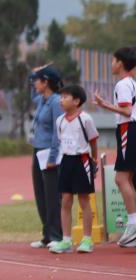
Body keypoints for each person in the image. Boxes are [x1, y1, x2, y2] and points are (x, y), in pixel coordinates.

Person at [92, 47, 136, 247]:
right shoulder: (131, 82)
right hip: (130, 129)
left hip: (128, 129)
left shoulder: (123, 84)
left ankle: (133, 225)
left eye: (113, 60)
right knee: (128, 179)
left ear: (120, 63)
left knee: (121, 178)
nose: (111, 64)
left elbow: (126, 111)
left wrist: (104, 105)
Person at [50, 84, 100, 254]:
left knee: (84, 200)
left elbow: (93, 141)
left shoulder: (85, 119)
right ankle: (66, 240)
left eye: (65, 97)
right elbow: (61, 141)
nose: (61, 100)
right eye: (61, 97)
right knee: (65, 200)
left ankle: (87, 239)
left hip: (82, 160)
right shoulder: (60, 121)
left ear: (76, 101)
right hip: (66, 161)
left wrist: (94, 160)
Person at [28, 66, 64, 249]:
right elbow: (31, 96)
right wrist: (32, 74)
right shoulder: (42, 100)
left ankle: (56, 235)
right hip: (38, 150)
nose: (35, 83)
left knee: (52, 196)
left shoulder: (56, 102)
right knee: (40, 194)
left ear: (46, 82)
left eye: (37, 80)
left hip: (50, 153)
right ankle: (47, 235)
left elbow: (58, 131)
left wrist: (52, 157)